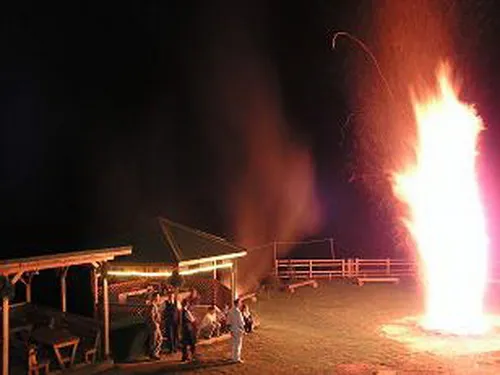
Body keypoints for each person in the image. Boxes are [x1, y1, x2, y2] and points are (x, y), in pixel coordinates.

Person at [227, 299, 245, 363]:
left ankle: (232, 357)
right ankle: (236, 358)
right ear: (237, 303)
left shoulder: (230, 310)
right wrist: (243, 329)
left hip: (233, 329)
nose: (241, 304)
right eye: (240, 303)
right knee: (238, 344)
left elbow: (228, 321)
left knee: (233, 344)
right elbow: (240, 322)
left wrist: (229, 329)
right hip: (238, 329)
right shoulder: (238, 312)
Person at [149, 292, 163, 360]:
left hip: (156, 324)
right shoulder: (152, 305)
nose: (158, 298)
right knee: (156, 339)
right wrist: (154, 323)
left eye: (159, 297)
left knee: (158, 339)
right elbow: (151, 316)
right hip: (154, 324)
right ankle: (154, 354)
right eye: (157, 297)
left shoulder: (155, 305)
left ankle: (154, 353)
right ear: (154, 297)